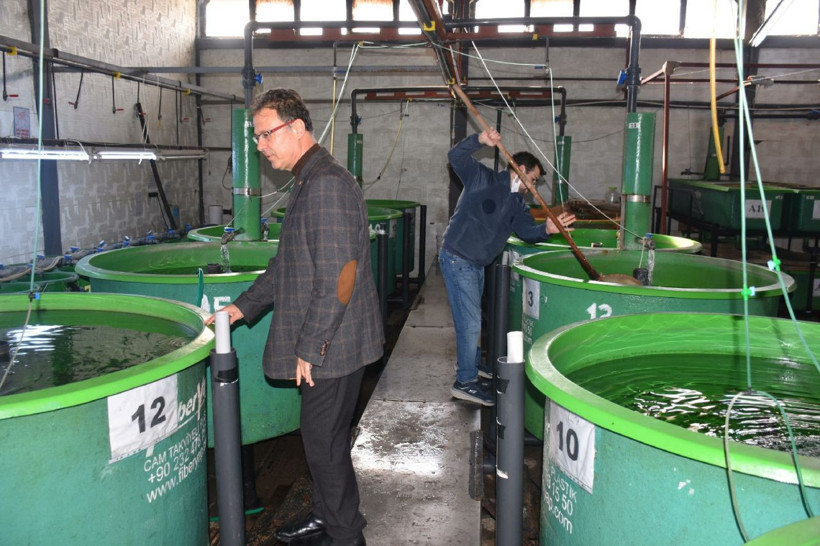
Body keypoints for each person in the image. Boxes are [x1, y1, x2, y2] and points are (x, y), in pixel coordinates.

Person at [207, 88, 383, 546]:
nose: (260, 146)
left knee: (324, 447)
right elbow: (287, 264)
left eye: (266, 134)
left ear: (297, 128)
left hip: (336, 346)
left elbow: (341, 276)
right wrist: (243, 306)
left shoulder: (325, 184)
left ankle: (347, 535)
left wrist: (312, 346)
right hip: (331, 341)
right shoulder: (307, 180)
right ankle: (327, 516)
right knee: (318, 439)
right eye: (257, 136)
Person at [440, 128, 575, 406]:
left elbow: (527, 232)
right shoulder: (482, 178)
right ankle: (464, 382)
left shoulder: (517, 203)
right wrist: (479, 140)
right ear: (520, 169)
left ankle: (472, 365)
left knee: (472, 319)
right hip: (457, 257)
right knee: (471, 323)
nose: (533, 187)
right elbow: (455, 156)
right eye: (534, 180)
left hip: (476, 264)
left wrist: (547, 229)